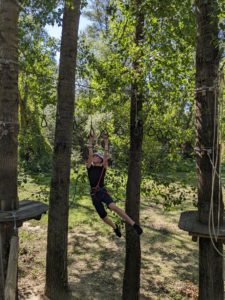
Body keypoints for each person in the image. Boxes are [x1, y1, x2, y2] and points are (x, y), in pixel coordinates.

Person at [86, 132, 143, 237]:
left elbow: (106, 155)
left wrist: (106, 142)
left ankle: (134, 224)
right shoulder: (90, 167)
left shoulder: (103, 168)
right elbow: (89, 154)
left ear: (100, 159)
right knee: (103, 216)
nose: (94, 156)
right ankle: (115, 227)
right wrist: (90, 141)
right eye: (94, 156)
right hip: (94, 195)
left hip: (101, 191)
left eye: (96, 156)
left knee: (113, 207)